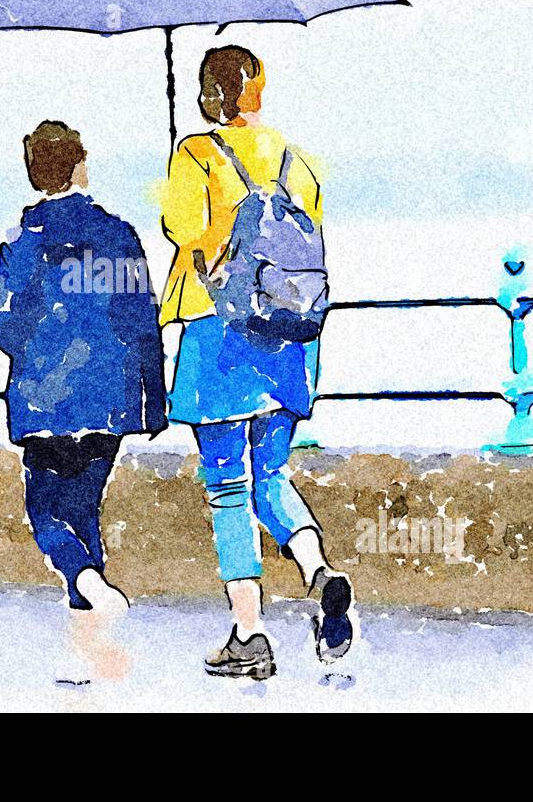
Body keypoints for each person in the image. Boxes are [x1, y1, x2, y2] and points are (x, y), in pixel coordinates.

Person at [160, 46, 354, 680]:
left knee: (225, 485)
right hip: (292, 335)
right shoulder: (299, 161)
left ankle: (250, 631)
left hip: (220, 331)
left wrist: (183, 178)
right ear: (257, 91)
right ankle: (318, 569)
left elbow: (182, 229)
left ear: (208, 91)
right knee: (271, 473)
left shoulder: (195, 152)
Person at [0, 120, 167, 680]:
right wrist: (153, 398)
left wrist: (39, 348)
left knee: (45, 513)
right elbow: (142, 320)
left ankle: (87, 587)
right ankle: (88, 648)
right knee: (83, 512)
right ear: (81, 164)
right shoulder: (119, 237)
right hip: (110, 399)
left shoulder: (22, 244)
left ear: (33, 172)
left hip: (45, 401)